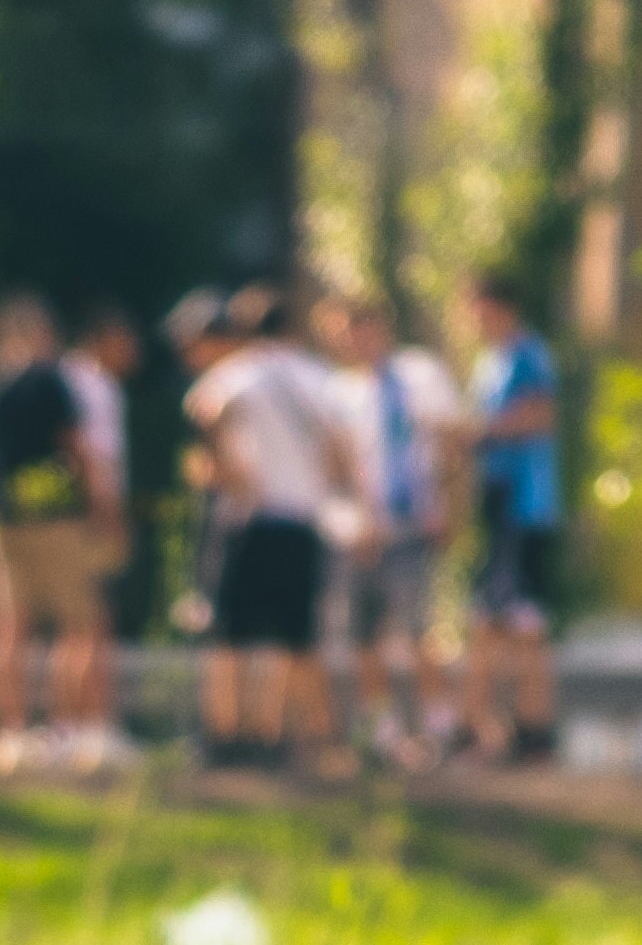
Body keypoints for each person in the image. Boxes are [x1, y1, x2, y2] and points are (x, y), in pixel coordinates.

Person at [181, 285, 367, 769]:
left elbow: (205, 410)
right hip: (303, 518)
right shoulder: (319, 377)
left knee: (228, 634)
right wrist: (338, 490)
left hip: (251, 516)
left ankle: (226, 733)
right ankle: (299, 736)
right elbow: (341, 448)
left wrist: (231, 471)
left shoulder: (239, 372)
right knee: (298, 636)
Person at [0, 293, 102, 771]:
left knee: (7, 627)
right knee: (79, 624)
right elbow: (76, 447)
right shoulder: (48, 379)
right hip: (54, 517)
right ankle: (67, 731)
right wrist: (102, 504)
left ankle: (10, 731)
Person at [335, 291, 464, 761]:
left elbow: (451, 444)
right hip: (361, 532)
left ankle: (437, 725)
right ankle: (381, 727)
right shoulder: (342, 391)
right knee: (363, 634)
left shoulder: (420, 375)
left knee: (416, 629)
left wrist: (449, 508)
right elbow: (340, 466)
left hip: (412, 523)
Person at [462, 277, 568, 764]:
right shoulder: (490, 362)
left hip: (525, 506)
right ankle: (499, 729)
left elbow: (540, 417)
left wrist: (475, 433)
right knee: (495, 621)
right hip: (497, 503)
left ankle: (532, 729)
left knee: (523, 622)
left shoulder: (529, 355)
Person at [61, 310, 140, 765]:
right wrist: (110, 516)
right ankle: (94, 727)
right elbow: (99, 458)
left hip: (64, 518)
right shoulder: (96, 386)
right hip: (91, 518)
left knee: (74, 628)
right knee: (94, 624)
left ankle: (70, 727)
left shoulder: (64, 378)